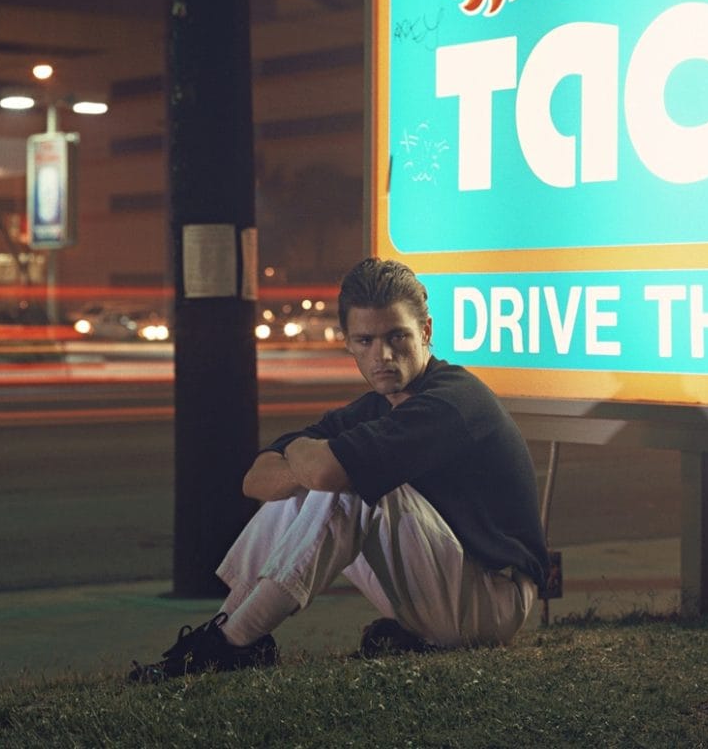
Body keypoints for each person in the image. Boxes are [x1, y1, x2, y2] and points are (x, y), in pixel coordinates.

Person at [129, 257, 549, 682]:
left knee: (351, 486)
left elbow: (329, 474)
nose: (382, 355)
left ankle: (232, 644)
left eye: (397, 336)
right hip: (444, 588)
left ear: (426, 332)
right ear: (348, 342)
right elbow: (256, 481)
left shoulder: (451, 401)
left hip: (495, 599)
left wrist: (310, 459)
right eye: (365, 340)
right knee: (315, 483)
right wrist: (308, 463)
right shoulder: (373, 408)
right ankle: (227, 630)